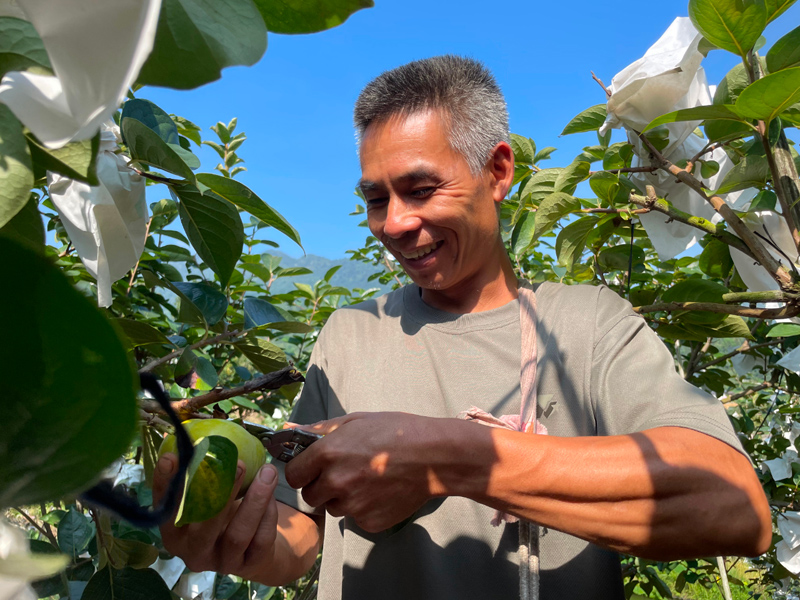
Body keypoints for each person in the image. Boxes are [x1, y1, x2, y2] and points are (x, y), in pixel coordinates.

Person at [153, 55, 771, 599]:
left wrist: (453, 457)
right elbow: (299, 539)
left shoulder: (585, 323)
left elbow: (732, 505)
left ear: (498, 171)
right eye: (375, 199)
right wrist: (227, 531)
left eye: (421, 189)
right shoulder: (349, 333)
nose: (393, 224)